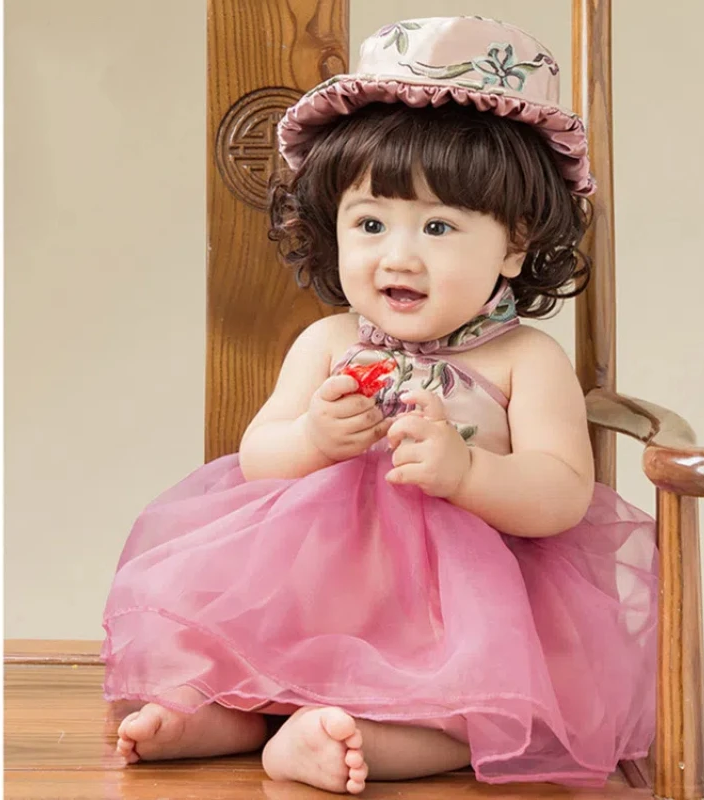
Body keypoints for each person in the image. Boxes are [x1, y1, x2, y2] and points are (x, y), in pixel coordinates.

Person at [102, 15, 657, 794]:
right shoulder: (330, 342)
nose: (398, 255)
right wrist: (314, 437)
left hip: (451, 621)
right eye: (369, 223)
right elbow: (259, 457)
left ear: (514, 242)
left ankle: (345, 739)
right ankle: (221, 715)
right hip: (313, 598)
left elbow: (562, 492)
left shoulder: (524, 359)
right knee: (233, 653)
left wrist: (469, 474)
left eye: (438, 226)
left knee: (483, 715)